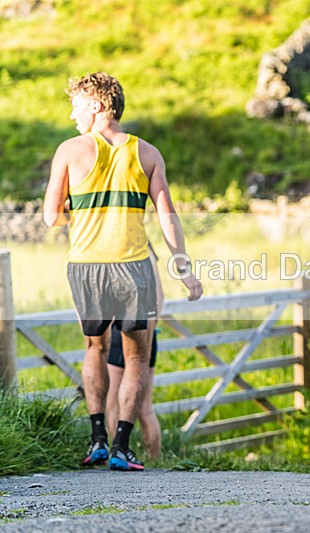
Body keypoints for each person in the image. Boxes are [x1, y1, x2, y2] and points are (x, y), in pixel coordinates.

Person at [43, 72, 203, 471]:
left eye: (77, 105)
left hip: (86, 266)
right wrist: (184, 270)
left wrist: (86, 212)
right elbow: (168, 219)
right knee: (137, 358)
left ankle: (96, 438)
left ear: (97, 105)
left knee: (94, 348)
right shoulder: (148, 153)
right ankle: (121, 447)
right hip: (135, 268)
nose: (72, 114)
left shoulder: (69, 150)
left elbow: (50, 217)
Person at [106, 242, 162, 460]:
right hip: (150, 332)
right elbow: (159, 298)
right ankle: (156, 460)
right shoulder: (149, 252)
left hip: (125, 331)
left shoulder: (125, 248)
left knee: (113, 403)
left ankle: (115, 452)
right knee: (146, 408)